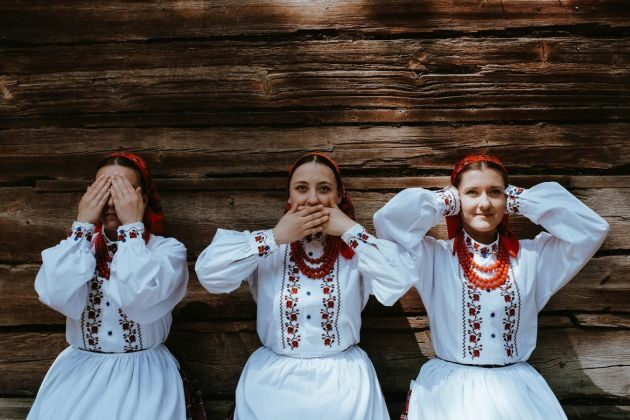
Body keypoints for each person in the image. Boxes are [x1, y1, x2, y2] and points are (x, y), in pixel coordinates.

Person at [373, 154, 609, 420]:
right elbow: (389, 222)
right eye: (472, 192)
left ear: (507, 200)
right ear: (455, 199)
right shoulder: (433, 257)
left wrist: (520, 200)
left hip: (518, 393)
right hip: (450, 394)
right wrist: (445, 200)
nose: (484, 203)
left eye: (494, 192)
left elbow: (592, 229)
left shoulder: (533, 258)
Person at [195, 152, 414, 420]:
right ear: (289, 197)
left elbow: (400, 277)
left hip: (345, 388)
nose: (312, 199)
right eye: (301, 188)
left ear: (339, 196)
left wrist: (350, 229)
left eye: (324, 189)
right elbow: (209, 274)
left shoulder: (355, 251)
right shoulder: (266, 249)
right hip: (272, 388)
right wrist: (274, 237)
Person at [28, 153, 189, 420]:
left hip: (145, 378)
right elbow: (57, 295)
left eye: (122, 191)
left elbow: (140, 300)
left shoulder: (166, 252)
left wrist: (132, 230)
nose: (111, 202)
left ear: (143, 198)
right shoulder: (76, 250)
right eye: (102, 190)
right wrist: (81, 226)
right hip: (77, 378)